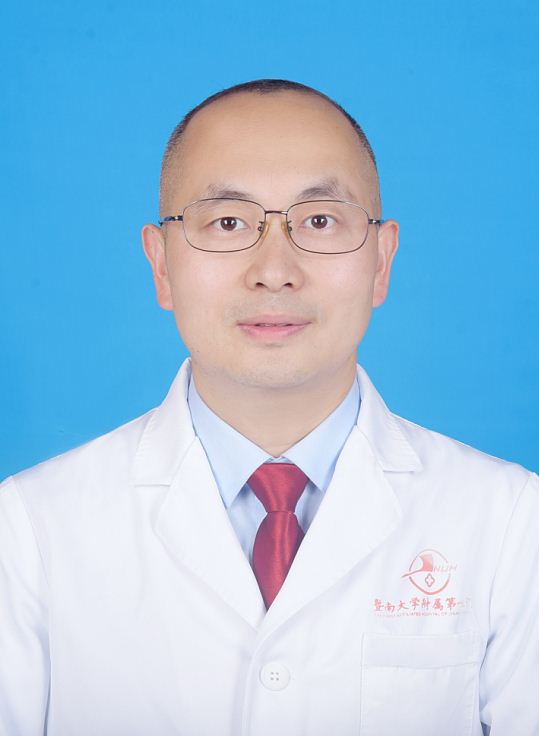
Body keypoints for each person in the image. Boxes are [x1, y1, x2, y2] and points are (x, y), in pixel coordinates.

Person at [0, 79, 537, 736]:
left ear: (381, 261)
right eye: (228, 223)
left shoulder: (511, 522)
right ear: (161, 265)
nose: (274, 270)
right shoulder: (28, 531)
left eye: (319, 221)